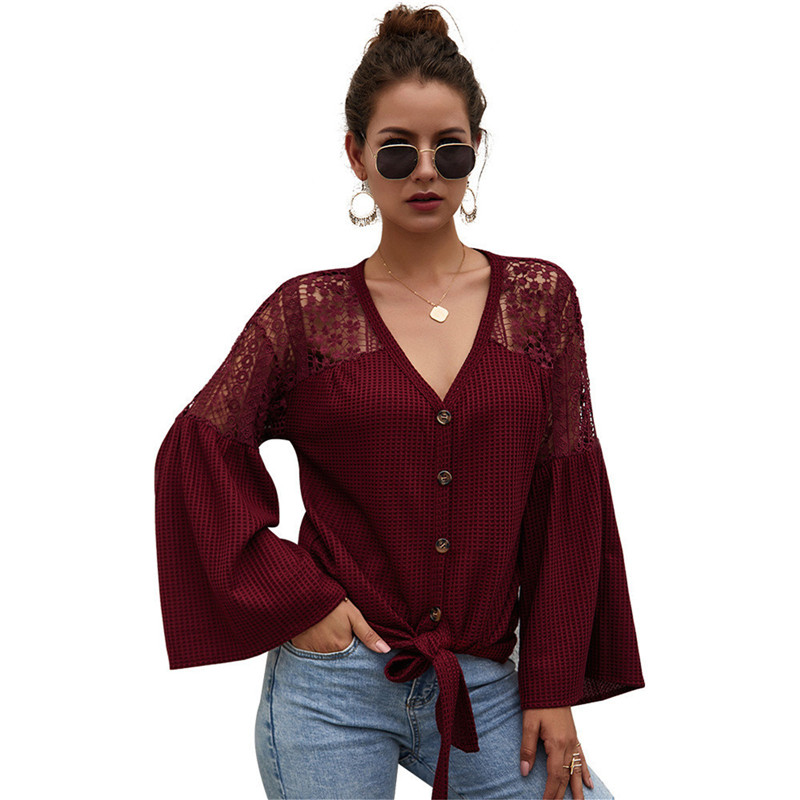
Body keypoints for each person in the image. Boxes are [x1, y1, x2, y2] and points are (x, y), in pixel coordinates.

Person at [153, 4, 645, 799]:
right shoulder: (307, 316)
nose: (425, 170)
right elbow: (196, 452)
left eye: (449, 148)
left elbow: (565, 500)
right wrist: (299, 601)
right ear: (355, 154)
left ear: (476, 149)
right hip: (330, 688)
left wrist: (553, 685)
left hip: (484, 684)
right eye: (396, 149)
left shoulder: (540, 302)